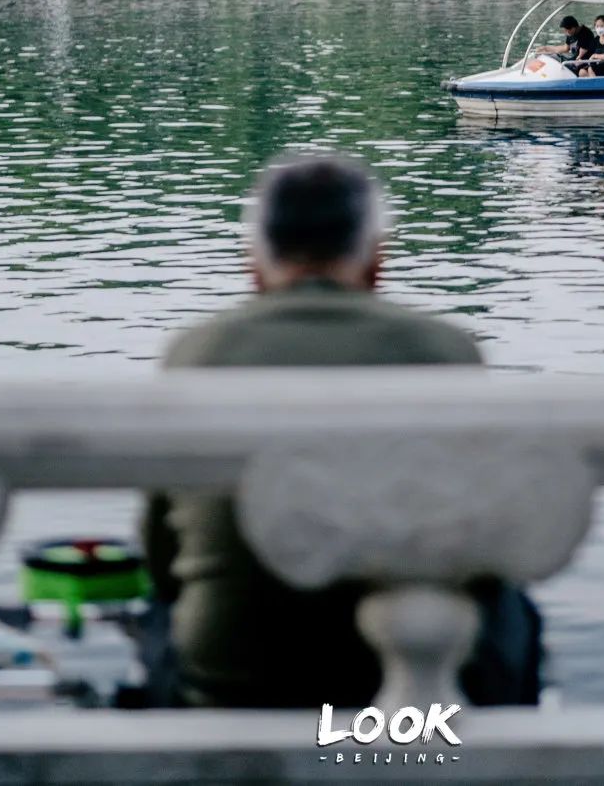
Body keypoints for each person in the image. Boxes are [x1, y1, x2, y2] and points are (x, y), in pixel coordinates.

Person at [142, 152, 542, 710]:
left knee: (159, 612)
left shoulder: (195, 354)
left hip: (231, 687)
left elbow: (162, 554)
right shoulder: (444, 351)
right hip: (410, 684)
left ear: (253, 265)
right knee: (515, 605)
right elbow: (481, 548)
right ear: (376, 262)